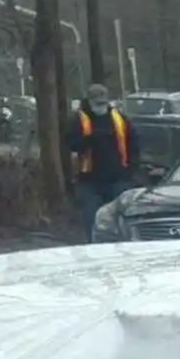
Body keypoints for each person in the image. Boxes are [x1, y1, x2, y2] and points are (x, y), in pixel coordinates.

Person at [67, 84, 141, 241]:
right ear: (89, 101)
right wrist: (89, 139)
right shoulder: (79, 120)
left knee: (120, 220)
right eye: (97, 103)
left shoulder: (120, 119)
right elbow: (72, 144)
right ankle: (93, 248)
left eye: (103, 103)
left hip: (117, 179)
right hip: (89, 180)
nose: (100, 107)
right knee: (91, 219)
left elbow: (133, 144)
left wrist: (131, 171)